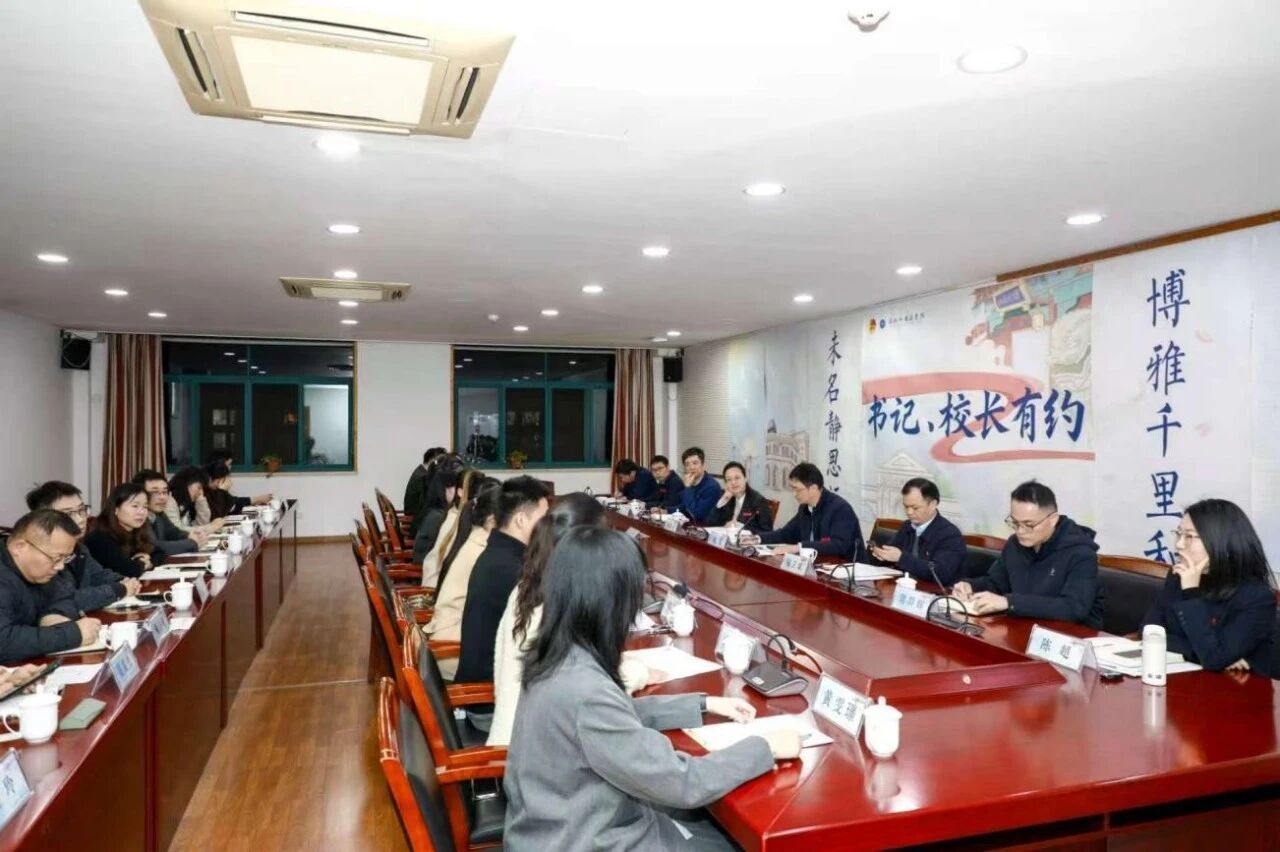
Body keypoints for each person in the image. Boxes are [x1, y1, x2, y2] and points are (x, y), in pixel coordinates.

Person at [503, 525, 801, 851]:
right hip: (584, 839)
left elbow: (615, 715)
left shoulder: (557, 655)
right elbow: (683, 782)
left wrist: (703, 704)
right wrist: (765, 747)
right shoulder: (586, 690)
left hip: (559, 826)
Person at [489, 493, 611, 746]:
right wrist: (639, 672)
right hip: (529, 750)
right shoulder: (558, 604)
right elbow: (583, 687)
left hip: (516, 733)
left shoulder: (529, 586)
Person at [454, 476, 551, 729]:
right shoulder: (510, 569)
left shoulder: (500, 554)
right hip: (493, 703)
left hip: (494, 689)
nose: (548, 528)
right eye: (544, 519)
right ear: (521, 520)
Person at [1141, 499, 1277, 674]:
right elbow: (1149, 632)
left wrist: (1191, 591)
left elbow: (1213, 658)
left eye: (1189, 536)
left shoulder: (1255, 597)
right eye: (1179, 534)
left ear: (1222, 542)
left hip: (1238, 687)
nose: (1179, 544)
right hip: (1187, 680)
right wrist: (1208, 653)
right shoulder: (1177, 576)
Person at [953, 481, 1104, 628]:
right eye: (1015, 523)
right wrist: (971, 586)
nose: (1020, 531)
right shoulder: (1015, 545)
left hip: (1070, 636)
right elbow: (996, 584)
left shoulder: (1081, 554)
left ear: (1053, 520)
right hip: (1024, 628)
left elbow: (1073, 608)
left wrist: (1009, 602)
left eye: (1029, 525)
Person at [422, 477, 501, 679]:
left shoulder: (474, 536)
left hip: (447, 638)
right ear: (493, 520)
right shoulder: (484, 550)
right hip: (453, 650)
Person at [0, 509, 101, 663]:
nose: (60, 566)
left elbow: (65, 597)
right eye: (56, 558)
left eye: (66, 558)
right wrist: (72, 634)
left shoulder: (40, 571)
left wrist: (52, 615)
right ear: (19, 547)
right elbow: (3, 641)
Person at [25, 481, 140, 611]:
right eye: (68, 514)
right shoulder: (40, 555)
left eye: (81, 510)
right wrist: (119, 589)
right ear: (43, 518)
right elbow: (67, 599)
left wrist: (124, 581)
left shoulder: (79, 548)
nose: (80, 519)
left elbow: (98, 575)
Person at [743, 462, 863, 561]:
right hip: (818, 565)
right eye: (792, 489)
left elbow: (838, 545)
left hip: (849, 572)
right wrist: (757, 538)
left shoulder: (840, 509)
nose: (794, 494)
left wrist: (798, 547)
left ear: (813, 488)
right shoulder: (805, 508)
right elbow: (786, 533)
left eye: (797, 489)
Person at [869, 478, 966, 586]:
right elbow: (892, 555)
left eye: (915, 508)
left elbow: (940, 574)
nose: (909, 512)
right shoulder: (907, 526)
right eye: (906, 507)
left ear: (933, 504)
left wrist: (901, 558)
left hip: (936, 592)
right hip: (906, 588)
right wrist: (882, 555)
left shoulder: (950, 535)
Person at [85, 483, 167, 579]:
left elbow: (160, 553)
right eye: (135, 506)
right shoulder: (99, 538)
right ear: (116, 509)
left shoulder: (135, 532)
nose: (141, 512)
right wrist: (143, 562)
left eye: (145, 507)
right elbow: (128, 570)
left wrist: (148, 562)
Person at [133, 469, 202, 556]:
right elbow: (154, 546)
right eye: (155, 492)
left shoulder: (159, 514)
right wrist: (192, 543)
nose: (162, 497)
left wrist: (190, 536)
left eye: (164, 492)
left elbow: (174, 533)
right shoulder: (136, 517)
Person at [706, 462, 775, 533]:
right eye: (729, 480)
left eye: (737, 478)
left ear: (745, 479)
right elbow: (709, 523)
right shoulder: (727, 497)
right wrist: (721, 502)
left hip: (746, 539)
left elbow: (767, 532)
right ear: (726, 483)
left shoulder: (759, 501)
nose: (733, 482)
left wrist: (741, 527)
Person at [411, 467, 458, 568]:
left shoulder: (435, 509)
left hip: (429, 562)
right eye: (456, 487)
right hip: (424, 568)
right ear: (446, 490)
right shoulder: (436, 517)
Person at [165, 466, 225, 537]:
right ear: (186, 484)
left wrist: (200, 500)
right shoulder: (168, 501)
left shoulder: (185, 502)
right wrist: (212, 527)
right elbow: (178, 531)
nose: (201, 492)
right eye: (199, 487)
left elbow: (201, 524)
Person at [205, 451, 272, 510]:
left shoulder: (220, 480)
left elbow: (231, 504)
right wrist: (222, 492)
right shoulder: (208, 483)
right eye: (229, 464)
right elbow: (218, 508)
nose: (230, 468)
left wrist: (255, 500)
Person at [677, 447, 723, 523]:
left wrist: (687, 488)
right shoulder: (689, 481)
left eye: (695, 463)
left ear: (703, 465)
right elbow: (684, 506)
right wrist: (666, 510)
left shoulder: (711, 487)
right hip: (690, 524)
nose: (691, 467)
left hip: (705, 526)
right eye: (687, 464)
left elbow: (696, 514)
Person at [403, 447, 444, 524]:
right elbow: (426, 504)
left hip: (416, 516)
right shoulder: (423, 477)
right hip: (415, 520)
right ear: (433, 461)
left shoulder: (421, 471)